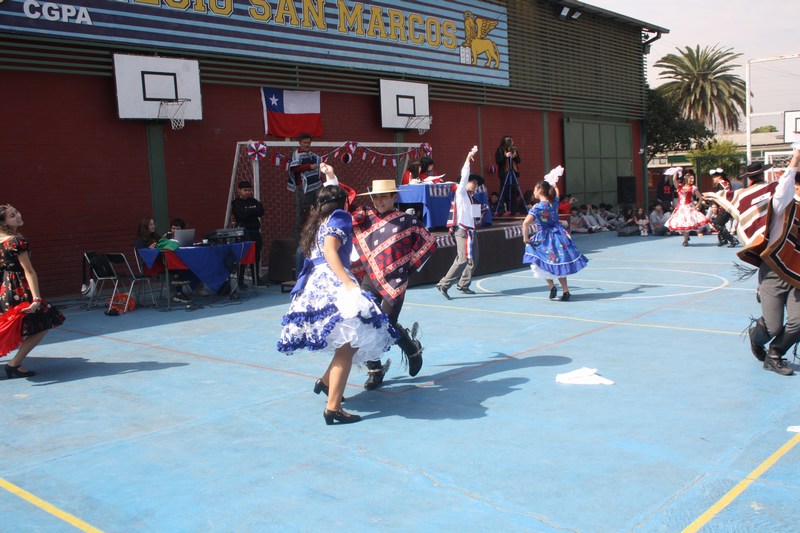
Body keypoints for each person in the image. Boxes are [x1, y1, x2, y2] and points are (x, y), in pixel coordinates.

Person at [277, 176, 397, 424]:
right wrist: (348, 283)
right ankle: (333, 409)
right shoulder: (339, 217)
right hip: (333, 281)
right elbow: (331, 251)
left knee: (347, 341)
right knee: (349, 344)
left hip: (315, 284)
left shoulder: (317, 222)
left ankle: (325, 382)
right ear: (342, 204)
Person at [350, 179, 436, 390]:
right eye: (376, 197)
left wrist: (406, 267)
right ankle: (375, 370)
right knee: (363, 322)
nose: (379, 201)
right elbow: (340, 212)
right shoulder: (365, 219)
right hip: (370, 279)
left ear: (394, 197)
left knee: (386, 324)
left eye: (384, 197)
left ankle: (412, 349)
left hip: (395, 280)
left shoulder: (408, 221)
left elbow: (428, 242)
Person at [743, 146, 800, 376]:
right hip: (774, 270)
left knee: (798, 322)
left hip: (797, 274)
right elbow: (783, 188)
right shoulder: (783, 205)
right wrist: (795, 158)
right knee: (773, 325)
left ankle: (774, 354)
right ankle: (757, 338)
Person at [0, 204, 65, 378]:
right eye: (12, 215)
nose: (18, 215)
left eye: (17, 212)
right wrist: (36, 299)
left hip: (5, 288)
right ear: (4, 222)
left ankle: (15, 364)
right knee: (42, 324)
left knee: (19, 327)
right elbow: (29, 271)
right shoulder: (16, 242)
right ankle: (14, 364)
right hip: (19, 289)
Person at [521, 167, 588, 301]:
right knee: (559, 262)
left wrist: (525, 238)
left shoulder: (537, 207)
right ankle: (565, 291)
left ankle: (552, 286)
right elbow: (556, 193)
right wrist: (554, 182)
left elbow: (525, 224)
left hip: (544, 237)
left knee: (541, 261)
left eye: (535, 189)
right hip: (558, 236)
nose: (534, 191)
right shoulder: (553, 203)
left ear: (540, 190)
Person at [437, 146, 481, 300]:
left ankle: (463, 284)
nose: (474, 184)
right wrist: (468, 159)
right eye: (472, 181)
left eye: (475, 182)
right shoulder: (460, 193)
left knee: (473, 258)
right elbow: (464, 176)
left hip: (471, 230)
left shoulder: (471, 198)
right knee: (462, 258)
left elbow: (475, 217)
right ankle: (444, 283)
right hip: (462, 230)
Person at [231, 180, 265, 288]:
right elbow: (241, 216)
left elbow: (261, 210)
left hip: (255, 231)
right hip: (244, 232)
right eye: (245, 190)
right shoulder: (236, 203)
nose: (247, 192)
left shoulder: (253, 201)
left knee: (256, 256)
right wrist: (252, 211)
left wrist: (249, 211)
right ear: (239, 191)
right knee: (244, 257)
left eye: (249, 190)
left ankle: (256, 279)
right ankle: (240, 281)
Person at [665, 169, 709, 246]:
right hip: (680, 208)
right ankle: (686, 236)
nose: (692, 180)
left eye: (693, 178)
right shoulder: (680, 186)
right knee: (680, 225)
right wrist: (676, 171)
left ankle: (685, 240)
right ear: (686, 178)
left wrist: (697, 206)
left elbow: (700, 198)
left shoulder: (693, 188)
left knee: (686, 224)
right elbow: (674, 179)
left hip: (688, 207)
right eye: (691, 178)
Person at [708, 170, 739, 247]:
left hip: (726, 207)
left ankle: (732, 239)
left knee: (716, 223)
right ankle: (722, 239)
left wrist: (712, 196)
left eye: (714, 177)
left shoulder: (722, 183)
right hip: (726, 206)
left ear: (719, 177)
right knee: (721, 223)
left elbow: (725, 193)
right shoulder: (725, 183)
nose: (713, 179)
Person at [495, 136, 521, 215]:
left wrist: (514, 157)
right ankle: (501, 210)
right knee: (503, 191)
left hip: (513, 172)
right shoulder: (499, 150)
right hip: (505, 172)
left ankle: (514, 210)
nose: (513, 143)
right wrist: (505, 157)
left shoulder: (514, 150)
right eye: (511, 141)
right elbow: (498, 162)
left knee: (514, 190)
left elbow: (519, 161)